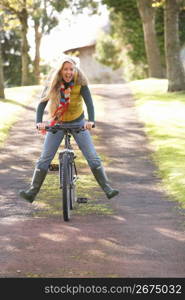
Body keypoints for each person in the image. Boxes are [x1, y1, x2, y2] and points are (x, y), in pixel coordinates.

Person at [19, 57, 119, 203]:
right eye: (65, 69)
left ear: (75, 69)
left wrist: (90, 121)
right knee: (44, 160)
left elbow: (89, 103)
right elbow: (42, 104)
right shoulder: (53, 82)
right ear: (61, 70)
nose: (69, 72)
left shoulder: (81, 82)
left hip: (78, 122)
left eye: (71, 69)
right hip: (57, 122)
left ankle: (107, 189)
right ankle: (31, 193)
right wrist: (39, 122)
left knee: (93, 158)